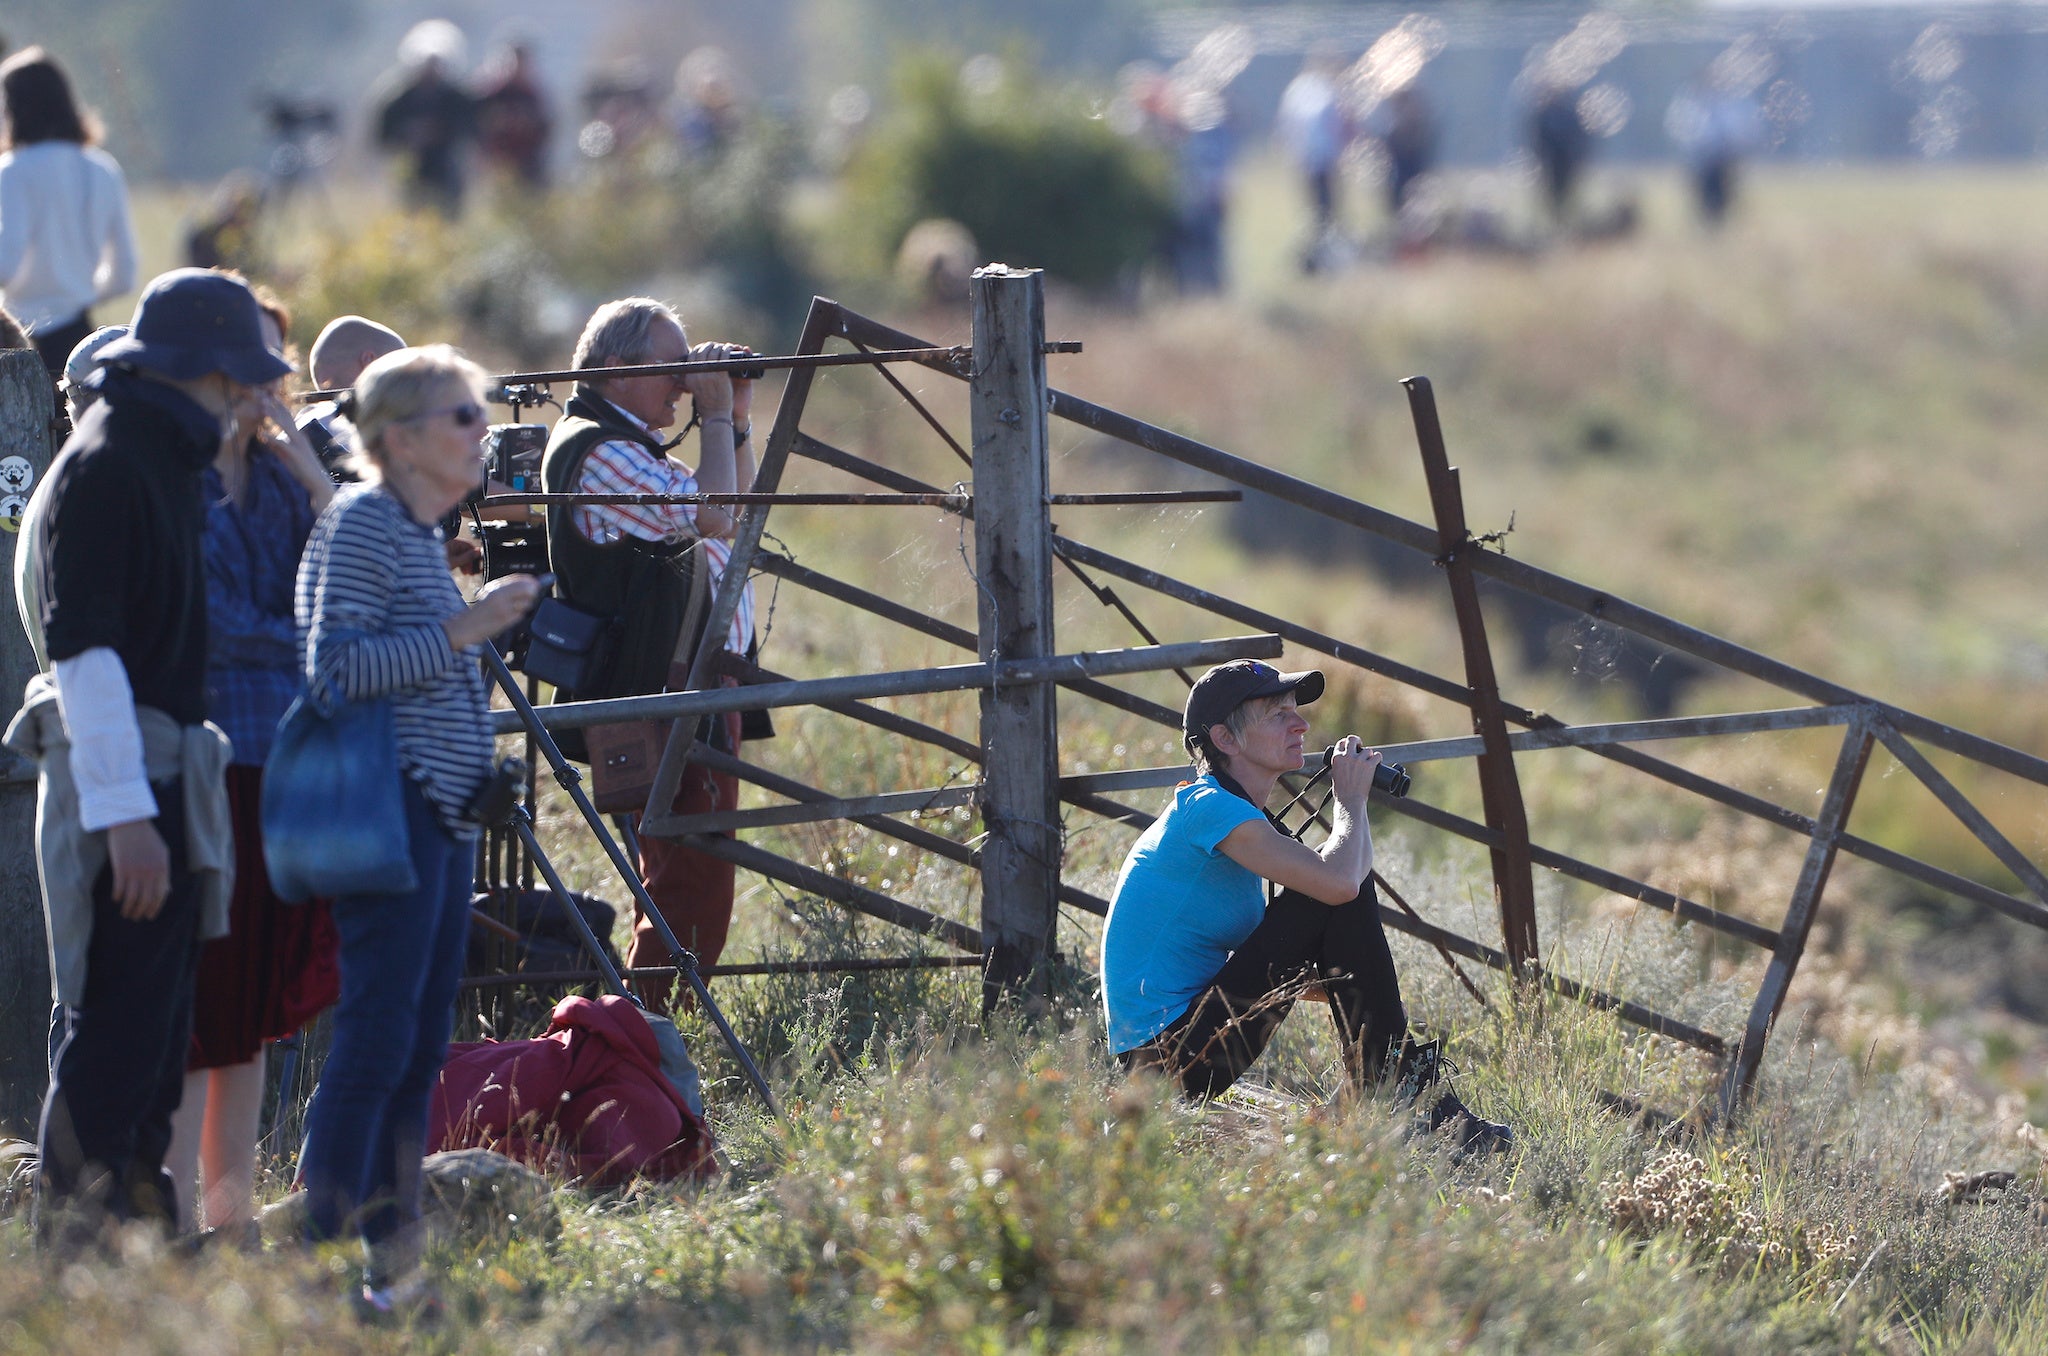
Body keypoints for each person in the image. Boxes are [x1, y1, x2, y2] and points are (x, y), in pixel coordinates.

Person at [4, 268, 290, 1241]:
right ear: (194, 371)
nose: (248, 396)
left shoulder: (156, 454)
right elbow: (85, 650)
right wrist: (127, 813)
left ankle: (140, 1252)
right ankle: (73, 1258)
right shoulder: (110, 462)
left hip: (168, 778)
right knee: (114, 1040)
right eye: (234, 378)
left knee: (158, 1038)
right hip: (128, 787)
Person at [293, 344, 542, 1311]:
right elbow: (337, 672)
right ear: (399, 438)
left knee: (411, 1046)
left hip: (431, 817)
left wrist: (473, 781)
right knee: (375, 1044)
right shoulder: (364, 525)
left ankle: (387, 1278)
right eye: (465, 417)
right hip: (388, 821)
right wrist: (465, 630)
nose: (485, 432)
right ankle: (320, 1276)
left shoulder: (406, 528)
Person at [1101, 660, 1513, 1152]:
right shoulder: (1209, 808)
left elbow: (1328, 913)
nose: (1301, 725)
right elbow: (1340, 885)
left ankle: (1391, 1087)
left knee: (1335, 884)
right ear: (1225, 740)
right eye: (1278, 715)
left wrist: (1373, 997)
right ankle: (1397, 1092)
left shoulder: (1227, 814)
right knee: (1334, 885)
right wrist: (1351, 801)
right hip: (1166, 1064)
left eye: (1296, 712)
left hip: (1179, 1052)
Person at [163, 284, 339, 1241]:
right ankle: (181, 1227)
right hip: (212, 761)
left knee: (261, 1001)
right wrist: (299, 638)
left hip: (286, 762)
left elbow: (345, 581)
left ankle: (230, 1225)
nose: (263, 390)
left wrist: (311, 469)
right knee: (205, 1001)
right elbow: (219, 629)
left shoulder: (280, 484)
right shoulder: (180, 478)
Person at [542, 297, 757, 1009]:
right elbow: (715, 513)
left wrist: (739, 418)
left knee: (692, 877)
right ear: (613, 370)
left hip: (685, 686)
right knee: (684, 882)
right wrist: (718, 415)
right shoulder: (599, 453)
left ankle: (655, 1035)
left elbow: (737, 515)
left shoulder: (626, 447)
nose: (682, 382)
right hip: (659, 694)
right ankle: (650, 1035)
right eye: (670, 365)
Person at [0, 47, 139, 377]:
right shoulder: (103, 169)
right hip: (83, 337)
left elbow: (6, 264)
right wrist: (77, 290)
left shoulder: (13, 171)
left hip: (19, 344)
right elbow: (124, 274)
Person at [370, 21, 477, 218]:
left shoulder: (456, 98)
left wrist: (440, 132)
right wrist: (407, 134)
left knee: (448, 217)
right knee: (410, 216)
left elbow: (470, 129)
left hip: (446, 168)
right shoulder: (399, 99)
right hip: (411, 168)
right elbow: (382, 136)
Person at [473, 32, 551, 187]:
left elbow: (544, 128)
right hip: (497, 163)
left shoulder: (532, 95)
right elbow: (479, 126)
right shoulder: (493, 94)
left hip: (527, 163)